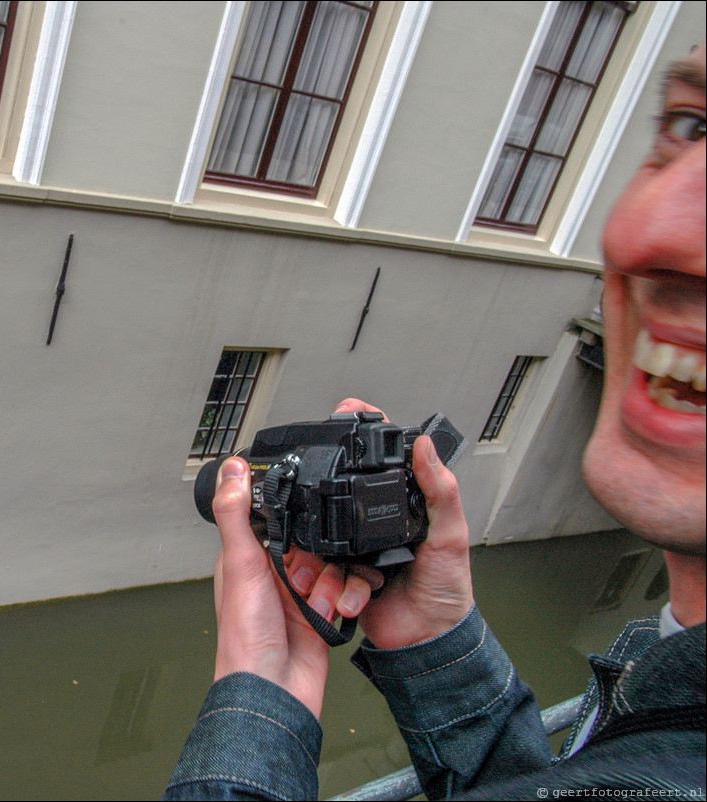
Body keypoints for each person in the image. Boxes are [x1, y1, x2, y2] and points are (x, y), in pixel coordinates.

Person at [163, 42, 705, 801]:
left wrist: (257, 703)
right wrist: (432, 642)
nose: (648, 230)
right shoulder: (674, 680)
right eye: (690, 125)